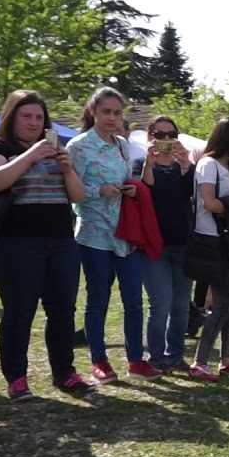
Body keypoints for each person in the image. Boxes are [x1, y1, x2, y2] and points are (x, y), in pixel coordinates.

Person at [0, 90, 95, 401]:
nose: (33, 122)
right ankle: (17, 378)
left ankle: (64, 373)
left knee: (62, 311)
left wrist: (68, 169)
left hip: (59, 240)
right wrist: (30, 155)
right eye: (26, 116)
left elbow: (78, 196)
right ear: (11, 118)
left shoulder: (56, 149)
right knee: (20, 312)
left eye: (39, 117)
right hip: (14, 242)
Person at [68, 87, 162, 383]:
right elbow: (72, 194)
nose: (112, 117)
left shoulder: (122, 144)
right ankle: (99, 360)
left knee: (134, 299)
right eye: (106, 111)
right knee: (98, 299)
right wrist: (98, 191)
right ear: (92, 111)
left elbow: (126, 180)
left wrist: (131, 187)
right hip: (93, 235)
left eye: (117, 112)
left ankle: (136, 360)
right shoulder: (78, 146)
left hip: (124, 234)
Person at [189, 119, 229, 381]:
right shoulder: (208, 164)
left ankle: (227, 359)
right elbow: (209, 202)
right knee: (222, 303)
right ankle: (200, 360)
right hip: (213, 240)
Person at [135, 116, 195, 372]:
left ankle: (175, 355)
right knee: (160, 304)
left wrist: (185, 166)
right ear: (150, 137)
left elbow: (190, 194)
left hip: (183, 243)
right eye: (160, 134)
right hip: (154, 245)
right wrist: (150, 162)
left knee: (181, 306)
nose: (166, 140)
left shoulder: (186, 166)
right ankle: (157, 358)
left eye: (171, 135)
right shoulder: (140, 164)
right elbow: (145, 190)